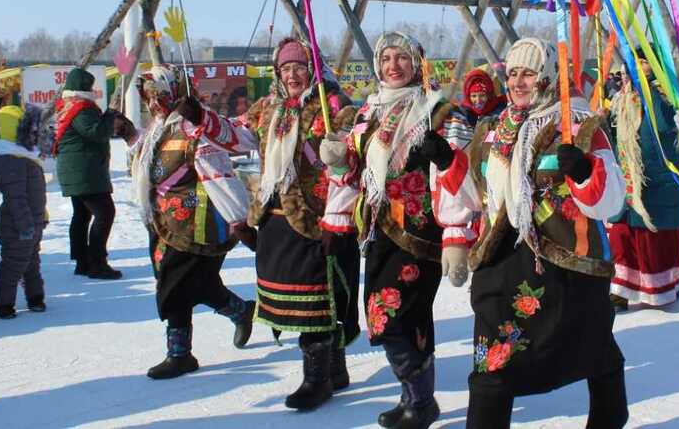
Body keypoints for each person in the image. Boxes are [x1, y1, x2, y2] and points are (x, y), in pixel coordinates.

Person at [437, 38, 628, 429]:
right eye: (512, 73)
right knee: (491, 364)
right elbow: (476, 196)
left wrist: (583, 172)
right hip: (500, 259)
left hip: (567, 263)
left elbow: (611, 202)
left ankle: (610, 414)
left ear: (547, 76)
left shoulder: (578, 125)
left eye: (528, 73)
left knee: (591, 344)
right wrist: (446, 161)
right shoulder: (492, 130)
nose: (517, 82)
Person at [320, 31, 474, 429]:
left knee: (394, 315)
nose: (393, 66)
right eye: (386, 58)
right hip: (379, 230)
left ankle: (420, 400)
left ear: (417, 64)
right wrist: (339, 159)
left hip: (421, 234)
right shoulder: (368, 111)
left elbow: (466, 169)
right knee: (390, 316)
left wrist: (456, 233)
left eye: (402, 58)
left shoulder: (439, 112)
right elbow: (358, 170)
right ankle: (415, 397)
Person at [232, 38, 360, 410]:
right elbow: (236, 137)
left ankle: (317, 379)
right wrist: (201, 119)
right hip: (275, 221)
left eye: (300, 67)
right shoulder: (267, 108)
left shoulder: (332, 105)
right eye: (285, 68)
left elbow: (351, 158)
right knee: (296, 298)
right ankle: (335, 370)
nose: (292, 75)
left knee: (316, 301)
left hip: (317, 220)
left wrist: (342, 147)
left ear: (313, 71)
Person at [129, 65, 257, 380]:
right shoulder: (159, 127)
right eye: (149, 96)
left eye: (158, 94)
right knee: (199, 285)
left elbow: (220, 176)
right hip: (164, 222)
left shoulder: (194, 126)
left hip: (198, 224)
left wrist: (239, 221)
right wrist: (129, 136)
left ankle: (180, 354)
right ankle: (241, 310)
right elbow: (149, 166)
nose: (153, 102)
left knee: (174, 286)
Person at [607, 53, 679, 311]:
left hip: (658, 178)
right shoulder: (622, 97)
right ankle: (620, 290)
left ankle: (661, 289)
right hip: (628, 178)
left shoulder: (666, 94)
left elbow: (663, 126)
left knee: (653, 238)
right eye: (634, 63)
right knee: (621, 235)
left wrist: (645, 88)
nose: (637, 68)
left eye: (643, 63)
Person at [54, 68, 126, 279]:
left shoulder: (69, 106)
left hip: (77, 170)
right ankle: (97, 263)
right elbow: (97, 132)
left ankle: (83, 262)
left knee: (82, 214)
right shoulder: (81, 108)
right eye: (91, 87)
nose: (94, 90)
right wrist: (110, 114)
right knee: (105, 213)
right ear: (84, 88)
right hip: (84, 171)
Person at [0, 105, 49, 319]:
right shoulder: (10, 159)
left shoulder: (25, 155)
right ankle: (4, 304)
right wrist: (25, 225)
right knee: (14, 264)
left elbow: (35, 193)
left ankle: (35, 297)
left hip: (33, 220)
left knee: (32, 261)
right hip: (17, 223)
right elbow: (16, 198)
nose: (34, 133)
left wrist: (42, 214)